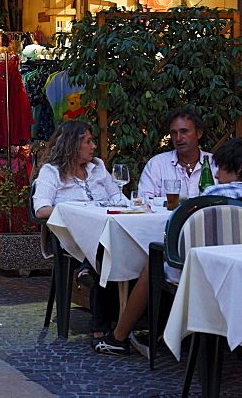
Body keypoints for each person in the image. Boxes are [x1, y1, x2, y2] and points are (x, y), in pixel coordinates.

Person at [95, 137, 242, 356]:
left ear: (237, 168)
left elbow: (179, 236)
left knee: (152, 262)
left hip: (201, 275)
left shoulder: (212, 198)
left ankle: (118, 337)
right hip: (235, 275)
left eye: (220, 168)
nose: (217, 174)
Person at [33, 121, 127, 342]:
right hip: (72, 237)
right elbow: (41, 210)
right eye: (88, 141)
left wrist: (127, 206)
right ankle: (100, 328)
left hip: (106, 232)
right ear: (71, 145)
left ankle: (89, 271)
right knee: (105, 257)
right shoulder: (52, 172)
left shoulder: (98, 167)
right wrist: (76, 211)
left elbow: (117, 197)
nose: (93, 146)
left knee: (118, 252)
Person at [138, 107, 216, 200]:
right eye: (174, 133)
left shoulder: (216, 164)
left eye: (184, 131)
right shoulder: (157, 164)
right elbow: (144, 202)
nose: (178, 138)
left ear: (199, 133)